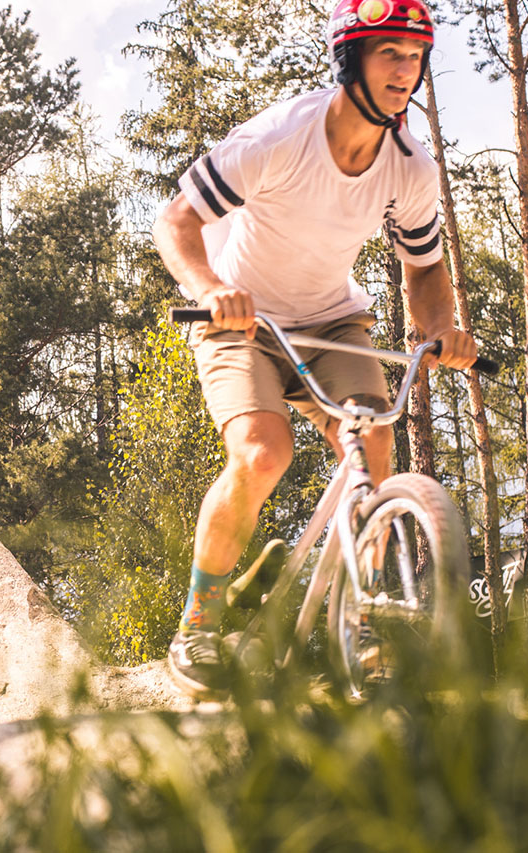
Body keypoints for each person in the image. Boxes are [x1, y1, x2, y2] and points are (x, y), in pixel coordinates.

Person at [151, 0, 479, 701]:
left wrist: (439, 327)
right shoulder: (281, 136)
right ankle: (199, 625)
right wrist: (211, 288)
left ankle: (352, 622)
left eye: (416, 56)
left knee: (376, 448)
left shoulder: (409, 170)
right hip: (241, 318)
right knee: (263, 454)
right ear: (350, 58)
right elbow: (176, 219)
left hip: (330, 321)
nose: (406, 70)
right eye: (390, 52)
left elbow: (422, 268)